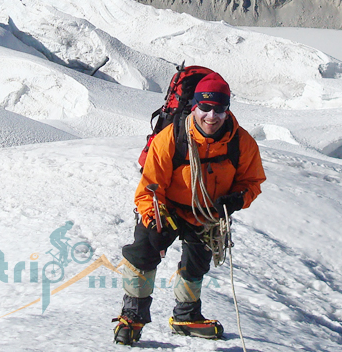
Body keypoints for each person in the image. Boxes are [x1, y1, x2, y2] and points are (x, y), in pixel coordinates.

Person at [113, 72, 267, 345]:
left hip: (208, 214)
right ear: (195, 106)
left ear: (227, 109)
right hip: (167, 208)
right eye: (205, 108)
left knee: (196, 264)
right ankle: (133, 315)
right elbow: (148, 189)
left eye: (219, 109)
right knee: (142, 255)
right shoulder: (171, 138)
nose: (212, 116)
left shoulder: (241, 143)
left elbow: (252, 182)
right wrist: (153, 222)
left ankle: (186, 316)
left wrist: (236, 200)